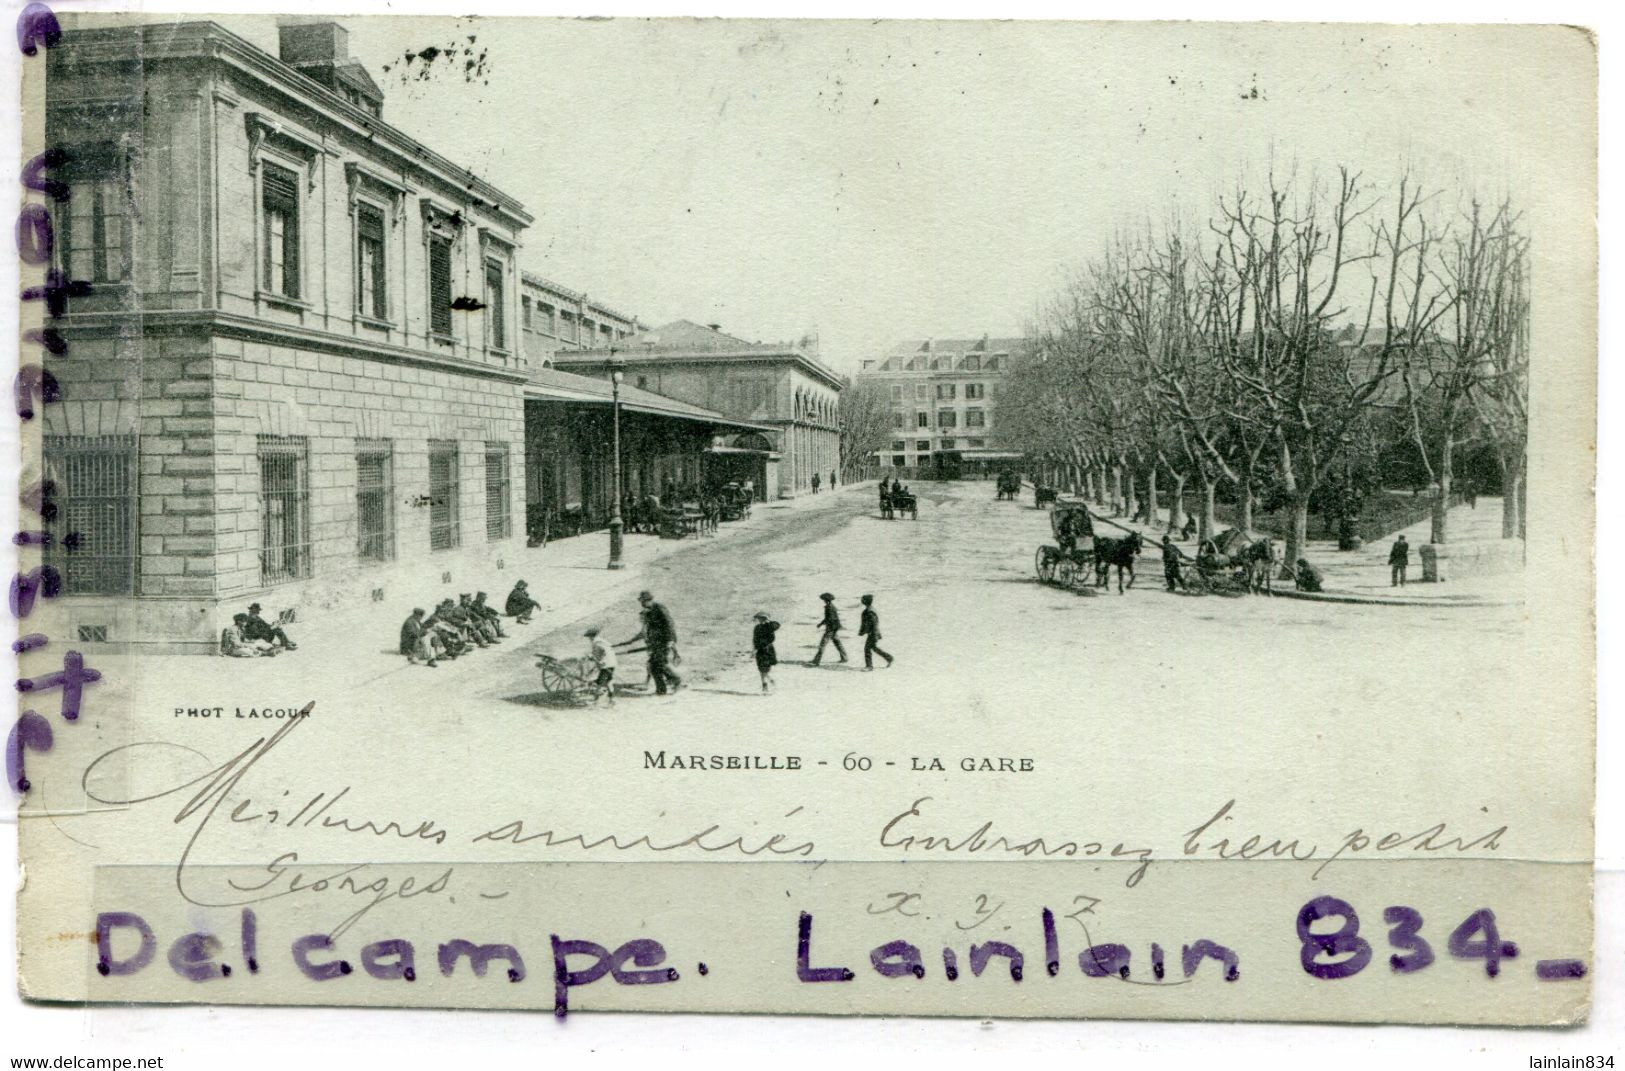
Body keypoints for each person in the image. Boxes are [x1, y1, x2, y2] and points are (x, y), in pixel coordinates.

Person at [618, 590, 682, 695]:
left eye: (643, 601)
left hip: (664, 642)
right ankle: (662, 690)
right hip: (655, 643)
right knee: (654, 666)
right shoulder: (648, 612)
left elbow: (669, 624)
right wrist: (631, 641)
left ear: (649, 600)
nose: (642, 604)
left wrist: (670, 640)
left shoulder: (659, 608)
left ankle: (675, 681)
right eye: (641, 601)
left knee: (658, 664)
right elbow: (645, 631)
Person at [810, 592, 848, 666]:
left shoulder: (829, 607)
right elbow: (829, 618)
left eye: (824, 599)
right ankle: (845, 658)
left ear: (826, 600)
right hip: (834, 628)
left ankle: (816, 661)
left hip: (831, 629)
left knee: (822, 644)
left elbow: (829, 618)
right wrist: (821, 624)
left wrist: (823, 625)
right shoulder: (831, 606)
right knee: (837, 643)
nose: (823, 600)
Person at [858, 593, 893, 671]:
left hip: (873, 633)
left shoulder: (870, 611)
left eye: (862, 599)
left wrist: (866, 632)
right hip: (873, 633)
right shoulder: (869, 610)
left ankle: (869, 666)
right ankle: (889, 658)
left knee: (867, 649)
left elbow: (873, 624)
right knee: (874, 648)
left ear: (865, 601)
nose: (861, 601)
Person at [585, 626, 616, 707]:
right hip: (610, 664)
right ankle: (612, 701)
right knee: (608, 682)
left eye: (589, 636)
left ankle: (596, 702)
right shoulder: (600, 641)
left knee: (600, 684)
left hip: (606, 665)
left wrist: (600, 660)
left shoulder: (598, 642)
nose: (589, 638)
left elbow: (605, 652)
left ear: (592, 636)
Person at [752, 612, 780, 694]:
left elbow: (777, 625)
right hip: (760, 650)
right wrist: (754, 649)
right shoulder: (757, 627)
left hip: (768, 650)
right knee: (761, 668)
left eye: (761, 618)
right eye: (759, 618)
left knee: (766, 668)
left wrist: (769, 621)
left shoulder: (769, 626)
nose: (759, 620)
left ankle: (767, 683)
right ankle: (766, 684)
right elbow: (755, 639)